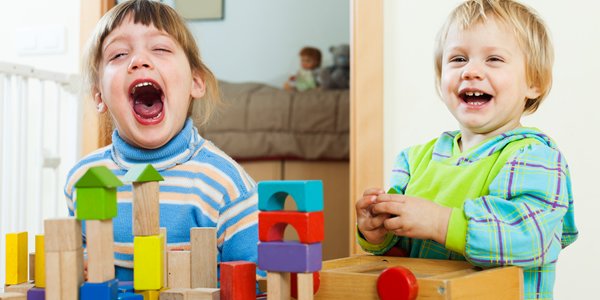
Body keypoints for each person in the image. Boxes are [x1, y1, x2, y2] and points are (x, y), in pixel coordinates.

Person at [355, 0, 577, 299]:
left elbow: (530, 238)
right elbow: (399, 252)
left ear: (534, 83)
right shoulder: (412, 160)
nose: (471, 71)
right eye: (458, 59)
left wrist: (440, 222)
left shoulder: (534, 157)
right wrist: (377, 232)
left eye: (494, 59)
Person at [64, 0, 264, 283]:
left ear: (195, 81)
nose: (139, 61)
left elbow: (258, 282)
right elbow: (76, 260)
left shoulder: (227, 185)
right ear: (99, 97)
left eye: (160, 48)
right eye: (119, 54)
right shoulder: (84, 180)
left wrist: (202, 275)